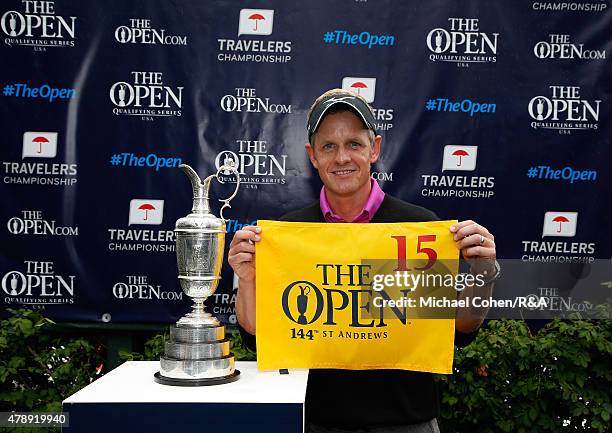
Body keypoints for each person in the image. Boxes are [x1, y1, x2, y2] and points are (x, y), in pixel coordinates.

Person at [228, 89, 499, 433]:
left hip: (407, 422)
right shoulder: (292, 233)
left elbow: (460, 330)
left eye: (354, 143)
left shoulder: (417, 227)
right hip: (318, 423)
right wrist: (248, 279)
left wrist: (483, 272)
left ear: (375, 149)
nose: (342, 157)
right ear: (313, 156)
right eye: (329, 146)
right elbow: (257, 337)